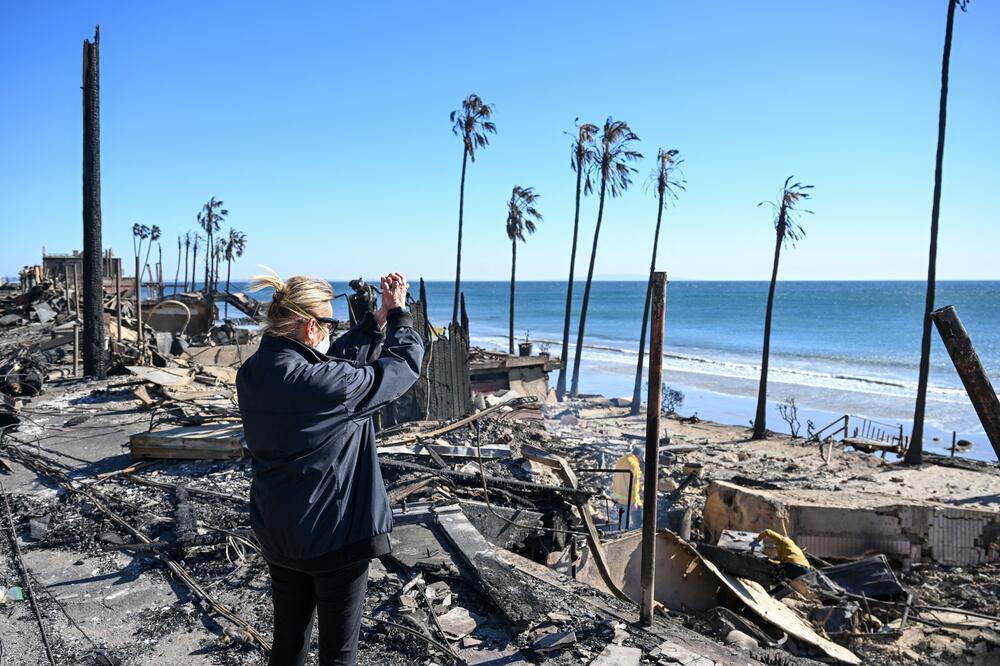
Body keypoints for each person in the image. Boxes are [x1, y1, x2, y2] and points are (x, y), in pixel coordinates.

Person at [236, 271, 423, 666]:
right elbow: (400, 368)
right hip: (334, 536)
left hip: (278, 530)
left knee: (288, 643)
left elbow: (331, 366)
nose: (332, 331)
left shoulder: (253, 372)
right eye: (329, 323)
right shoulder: (324, 384)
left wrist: (377, 320)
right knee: (339, 654)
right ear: (309, 326)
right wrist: (402, 317)